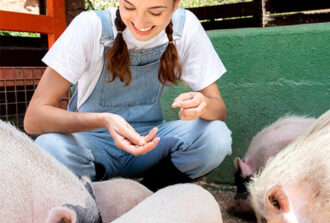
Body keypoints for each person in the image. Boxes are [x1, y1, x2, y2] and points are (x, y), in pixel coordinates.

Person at [24, 0, 232, 192]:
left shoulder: (186, 27)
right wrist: (104, 120)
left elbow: (219, 110)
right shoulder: (90, 27)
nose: (140, 21)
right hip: (92, 144)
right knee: (49, 147)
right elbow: (33, 119)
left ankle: (147, 196)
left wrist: (203, 105)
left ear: (175, 4)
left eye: (155, 12)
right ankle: (95, 199)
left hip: (151, 140)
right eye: (129, 7)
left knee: (216, 136)